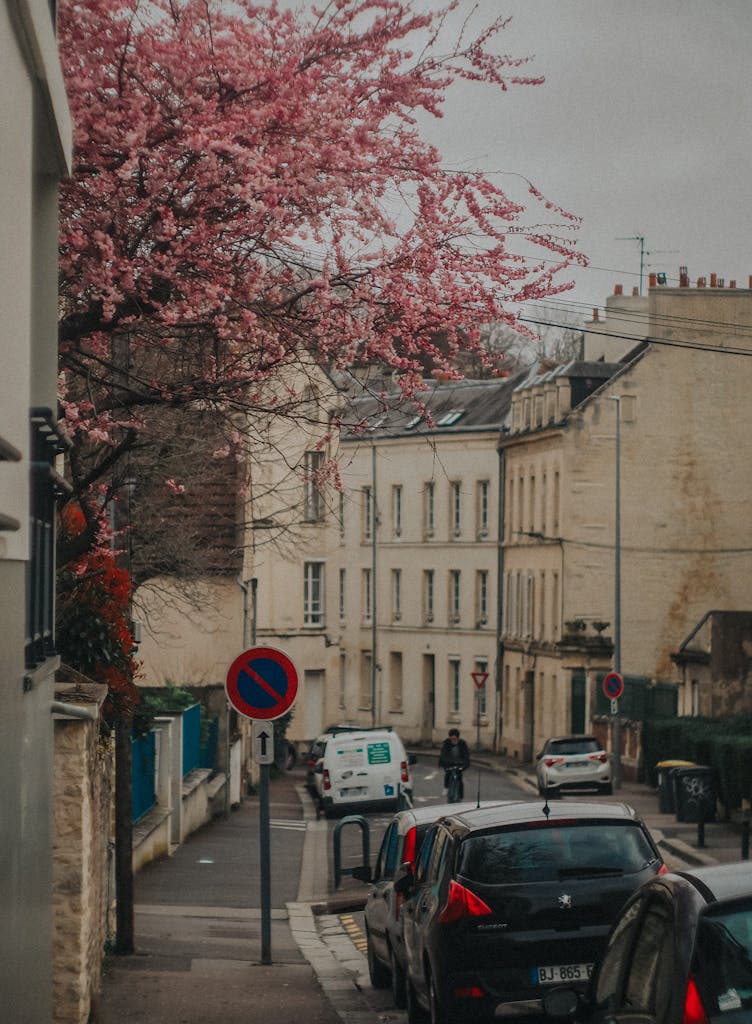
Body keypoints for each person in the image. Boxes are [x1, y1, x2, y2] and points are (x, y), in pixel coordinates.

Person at [439, 728, 470, 799]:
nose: (453, 740)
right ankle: (446, 787)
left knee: (459, 779)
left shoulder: (462, 744)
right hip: (449, 763)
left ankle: (460, 796)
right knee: (448, 774)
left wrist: (465, 765)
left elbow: (466, 755)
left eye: (455, 739)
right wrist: (444, 764)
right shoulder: (446, 743)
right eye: (452, 739)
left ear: (458, 738)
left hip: (459, 763)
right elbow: (443, 754)